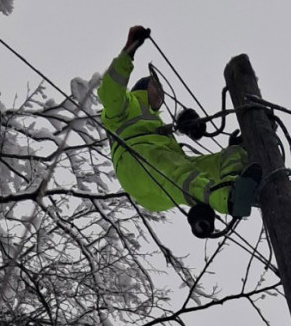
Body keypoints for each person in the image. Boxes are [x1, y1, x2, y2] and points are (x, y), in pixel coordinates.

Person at [99, 26, 256, 222]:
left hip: (163, 170)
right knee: (181, 172)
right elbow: (110, 92)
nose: (161, 93)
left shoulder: (155, 122)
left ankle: (240, 182)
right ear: (142, 85)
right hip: (138, 163)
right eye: (156, 85)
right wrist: (128, 53)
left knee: (227, 157)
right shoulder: (127, 105)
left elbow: (174, 154)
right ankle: (228, 199)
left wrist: (189, 125)